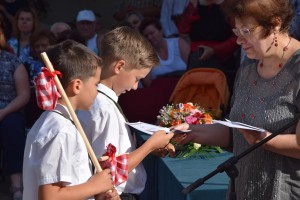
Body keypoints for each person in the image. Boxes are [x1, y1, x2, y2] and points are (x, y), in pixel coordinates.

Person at [173, 0, 300, 199]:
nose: (240, 41)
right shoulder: (250, 65)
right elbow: (237, 133)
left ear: (275, 24)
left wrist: (263, 140)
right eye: (236, 31)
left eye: (247, 31)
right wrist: (191, 131)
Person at [77, 26, 174, 200]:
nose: (136, 86)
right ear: (120, 66)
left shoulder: (100, 101)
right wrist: (150, 145)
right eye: (137, 79)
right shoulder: (103, 108)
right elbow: (109, 168)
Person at [23, 40, 118, 200]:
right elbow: (50, 196)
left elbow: (69, 185)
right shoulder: (61, 131)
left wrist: (95, 193)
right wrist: (95, 185)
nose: (97, 91)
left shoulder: (55, 122)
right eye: (96, 84)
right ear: (77, 86)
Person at [0, 15, 30, 200]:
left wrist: (3, 112)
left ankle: (16, 184)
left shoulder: (12, 61)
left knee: (11, 127)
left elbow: (24, 95)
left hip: (8, 110)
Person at [139, 18, 190, 87]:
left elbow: (193, 68)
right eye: (146, 36)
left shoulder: (179, 43)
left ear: (161, 31)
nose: (150, 38)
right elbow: (147, 83)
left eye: (152, 33)